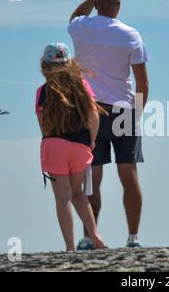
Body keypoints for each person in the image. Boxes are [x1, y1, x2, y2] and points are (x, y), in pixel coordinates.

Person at [68, 0, 149, 249]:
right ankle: (133, 237)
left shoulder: (81, 27)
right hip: (123, 108)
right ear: (118, 5)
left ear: (96, 2)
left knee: (92, 178)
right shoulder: (130, 35)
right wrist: (137, 114)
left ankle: (90, 237)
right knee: (129, 175)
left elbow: (74, 16)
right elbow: (142, 83)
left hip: (90, 110)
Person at [36, 43, 107, 252]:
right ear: (70, 64)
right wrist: (91, 141)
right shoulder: (82, 85)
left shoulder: (42, 91)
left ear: (45, 65)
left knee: (63, 197)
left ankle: (69, 246)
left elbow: (42, 123)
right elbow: (94, 116)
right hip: (80, 146)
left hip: (53, 144)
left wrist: (49, 140)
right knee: (78, 194)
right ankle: (95, 236)